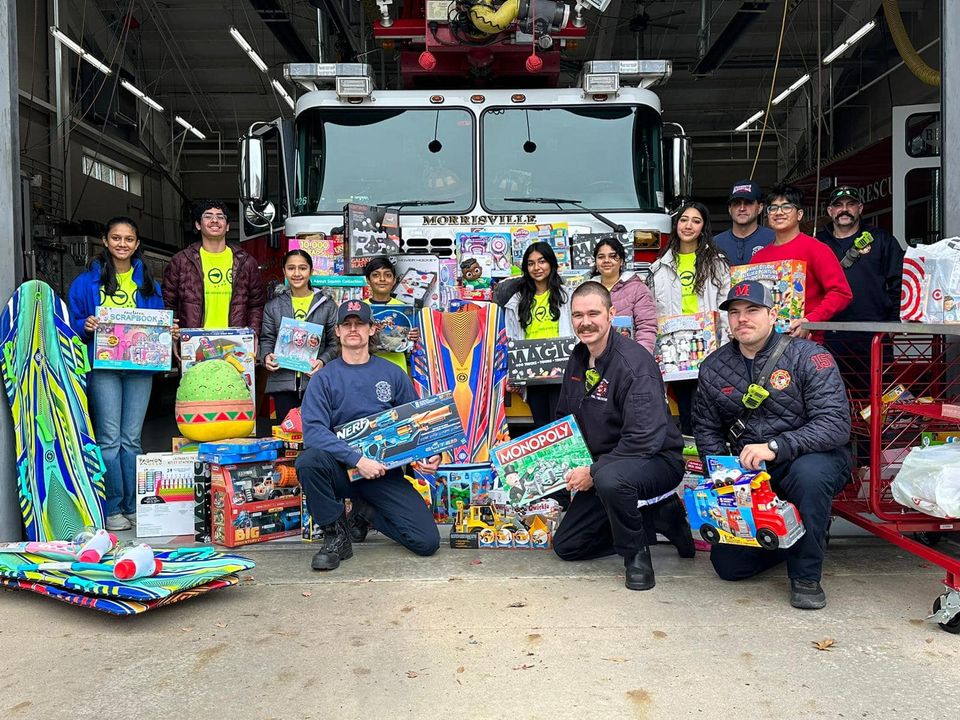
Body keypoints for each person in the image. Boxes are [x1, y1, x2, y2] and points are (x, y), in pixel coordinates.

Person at [693, 280, 852, 610]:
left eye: (752, 310)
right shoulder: (713, 366)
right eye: (734, 313)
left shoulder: (809, 356)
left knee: (809, 476)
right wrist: (723, 474)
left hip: (809, 458)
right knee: (729, 568)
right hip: (751, 473)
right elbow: (706, 429)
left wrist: (777, 446)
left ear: (773, 314)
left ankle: (805, 576)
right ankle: (801, 537)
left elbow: (835, 425)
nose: (742, 319)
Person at [552, 282, 691, 591]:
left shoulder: (634, 363)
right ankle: (658, 516)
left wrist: (594, 472)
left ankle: (636, 554)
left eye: (593, 313)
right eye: (578, 315)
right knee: (567, 546)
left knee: (612, 481)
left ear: (611, 314)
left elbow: (643, 438)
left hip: (655, 460)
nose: (585, 322)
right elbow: (565, 420)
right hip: (606, 467)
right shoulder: (576, 360)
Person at [295, 300, 441, 571]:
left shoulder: (393, 374)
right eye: (347, 324)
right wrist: (357, 459)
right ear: (337, 331)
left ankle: (366, 511)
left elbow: (416, 422)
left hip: (383, 474)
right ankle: (336, 536)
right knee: (308, 462)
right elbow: (314, 432)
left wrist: (431, 452)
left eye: (360, 323)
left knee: (427, 542)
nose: (353, 329)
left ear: (372, 329)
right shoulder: (323, 379)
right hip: (341, 471)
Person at [68, 217, 167, 531]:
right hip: (104, 369)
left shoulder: (150, 284)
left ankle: (133, 505)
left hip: (140, 369)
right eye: (116, 238)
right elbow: (69, 322)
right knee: (109, 441)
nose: (122, 244)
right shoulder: (85, 283)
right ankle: (112, 507)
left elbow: (158, 324)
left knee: (132, 441)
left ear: (137, 244)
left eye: (128, 239)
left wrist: (168, 329)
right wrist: (83, 324)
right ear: (105, 241)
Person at [648, 201, 731, 434]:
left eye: (696, 221)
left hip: (710, 348)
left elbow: (726, 307)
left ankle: (712, 457)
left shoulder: (717, 263)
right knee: (685, 409)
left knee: (709, 407)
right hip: (675, 351)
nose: (688, 226)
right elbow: (653, 312)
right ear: (676, 225)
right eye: (684, 220)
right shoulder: (658, 267)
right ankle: (691, 462)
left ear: (703, 227)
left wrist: (726, 346)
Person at [814, 185, 905, 387]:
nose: (844, 210)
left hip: (873, 333)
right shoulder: (818, 244)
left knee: (878, 395)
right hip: (829, 333)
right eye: (838, 206)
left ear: (860, 208)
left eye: (851, 204)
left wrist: (893, 321)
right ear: (830, 211)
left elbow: (899, 280)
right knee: (830, 393)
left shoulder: (882, 239)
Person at [750, 184, 852, 342]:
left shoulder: (817, 249)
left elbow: (841, 293)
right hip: (763, 344)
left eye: (786, 207)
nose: (779, 212)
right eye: (773, 208)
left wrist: (810, 321)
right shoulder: (759, 257)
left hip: (805, 343)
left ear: (799, 214)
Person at [162, 200, 266, 335]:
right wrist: (173, 337)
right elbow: (168, 304)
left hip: (235, 345)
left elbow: (256, 305)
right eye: (208, 216)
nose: (215, 220)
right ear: (198, 225)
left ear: (227, 226)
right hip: (193, 343)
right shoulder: (181, 261)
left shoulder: (245, 262)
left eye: (220, 217)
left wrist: (252, 334)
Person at [258, 249, 338, 423]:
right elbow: (267, 339)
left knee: (316, 432)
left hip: (316, 382)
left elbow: (335, 342)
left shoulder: (327, 305)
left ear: (311, 271)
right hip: (283, 382)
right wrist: (266, 356)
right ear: (284, 271)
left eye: (302, 268)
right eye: (291, 268)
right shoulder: (273, 306)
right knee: (286, 435)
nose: (296, 273)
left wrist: (322, 361)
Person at [503, 242, 574, 428]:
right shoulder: (516, 301)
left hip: (562, 371)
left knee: (563, 423)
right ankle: (548, 458)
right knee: (542, 425)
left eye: (541, 261)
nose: (537, 268)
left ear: (551, 263)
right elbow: (511, 337)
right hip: (532, 372)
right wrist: (513, 374)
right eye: (531, 263)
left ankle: (565, 457)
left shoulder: (567, 296)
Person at [591, 237, 657, 354]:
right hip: (595, 357)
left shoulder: (638, 289)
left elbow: (647, 327)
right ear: (596, 262)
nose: (606, 260)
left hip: (629, 358)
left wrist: (639, 358)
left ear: (621, 261)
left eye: (613, 256)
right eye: (601, 257)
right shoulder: (588, 291)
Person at [362, 256, 420, 372]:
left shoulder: (406, 309)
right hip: (366, 367)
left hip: (398, 368)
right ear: (368, 280)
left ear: (394, 280)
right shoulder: (361, 308)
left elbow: (414, 345)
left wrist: (417, 336)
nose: (382, 279)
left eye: (387, 275)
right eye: (376, 275)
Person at [712, 180, 775, 266]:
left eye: (748, 203)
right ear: (730, 209)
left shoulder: (774, 239)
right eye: (737, 203)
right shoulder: (715, 244)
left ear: (760, 208)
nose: (742, 208)